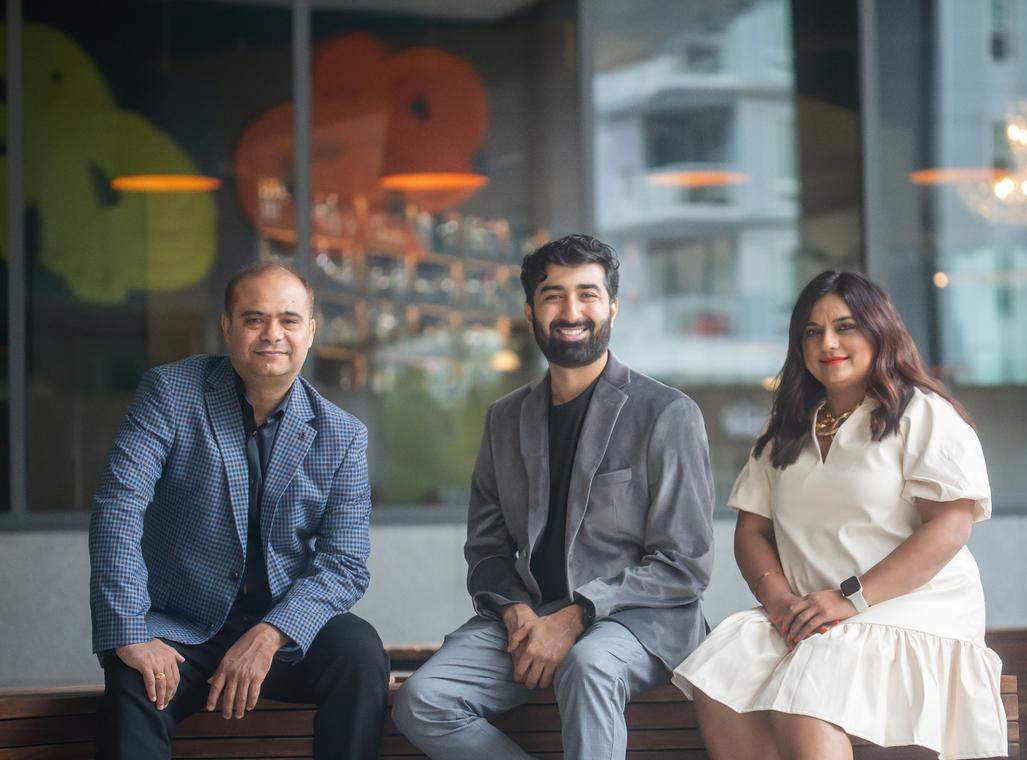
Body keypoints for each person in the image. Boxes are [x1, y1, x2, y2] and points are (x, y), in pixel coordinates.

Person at [392, 234, 716, 759]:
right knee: (424, 699)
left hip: (638, 621)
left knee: (588, 667)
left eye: (588, 294)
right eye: (553, 295)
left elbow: (685, 564)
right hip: (531, 617)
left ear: (612, 306)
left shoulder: (667, 413)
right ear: (530, 312)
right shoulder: (504, 419)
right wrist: (516, 611)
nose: (571, 311)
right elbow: (487, 551)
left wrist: (576, 617)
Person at [673, 271, 1008, 760]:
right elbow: (753, 530)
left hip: (910, 609)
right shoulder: (785, 426)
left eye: (845, 326)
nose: (828, 342)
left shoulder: (923, 413)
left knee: (804, 694)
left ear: (879, 331)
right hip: (812, 613)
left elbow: (951, 526)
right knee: (721, 673)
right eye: (812, 331)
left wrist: (853, 599)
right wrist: (782, 602)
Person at [89, 263, 389, 759]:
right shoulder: (171, 393)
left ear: (310, 332)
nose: (273, 335)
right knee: (133, 679)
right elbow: (119, 510)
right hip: (180, 628)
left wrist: (272, 633)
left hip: (281, 632)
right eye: (254, 319)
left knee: (359, 651)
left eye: (289, 320)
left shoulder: (342, 435)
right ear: (226, 326)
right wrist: (131, 633)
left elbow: (344, 563)